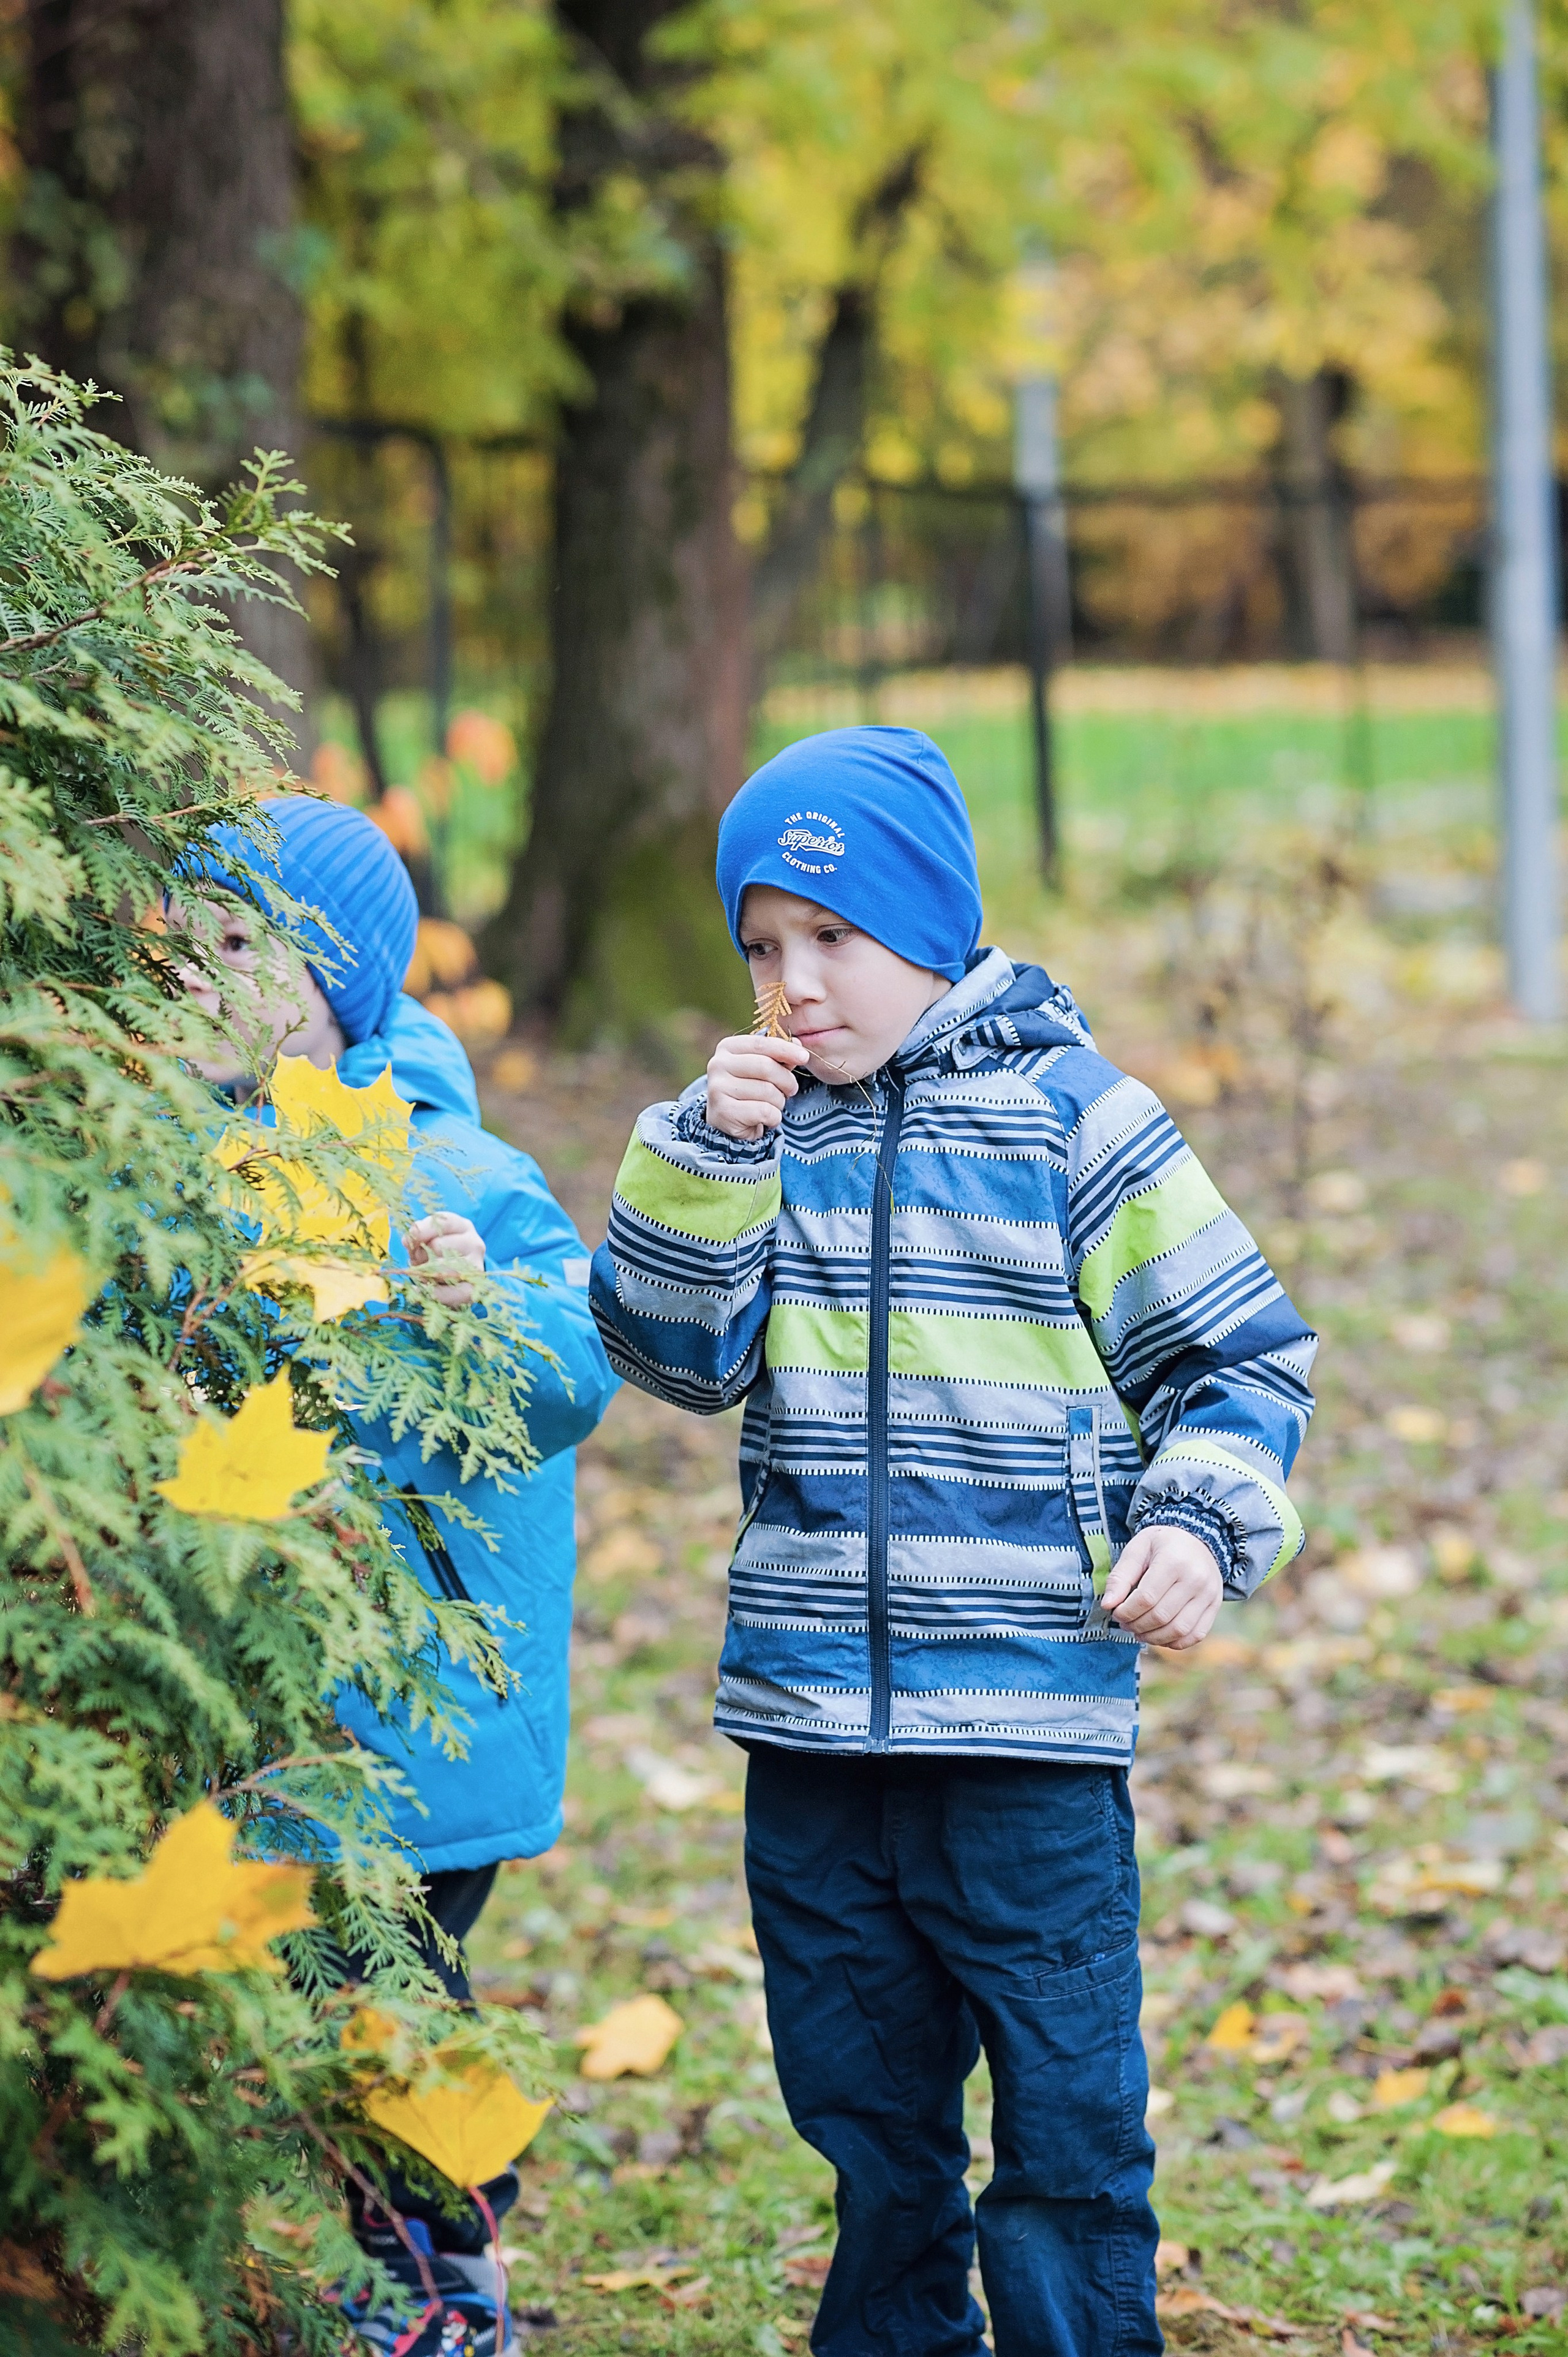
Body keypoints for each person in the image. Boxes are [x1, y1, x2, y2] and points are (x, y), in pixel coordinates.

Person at [589, 727, 1316, 2357]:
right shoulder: (762, 1131)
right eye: (762, 950)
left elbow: (1238, 1357)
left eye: (831, 941)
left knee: (1065, 2125)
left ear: (931, 930)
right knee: (863, 2108)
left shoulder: (1079, 1123)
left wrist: (1196, 1521)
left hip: (1029, 1736)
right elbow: (670, 1355)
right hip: (812, 1738)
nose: (795, 988)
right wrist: (707, 1158)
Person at [179, 794, 618, 2357]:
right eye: (181, 942)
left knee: (392, 2003)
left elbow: (577, 1372)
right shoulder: (185, 1168)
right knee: (307, 1994)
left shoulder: (456, 1171)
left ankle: (447, 2276)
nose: (190, 978)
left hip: (422, 1723)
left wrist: (479, 1305)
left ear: (337, 981)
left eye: (237, 947)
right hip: (264, 1706)